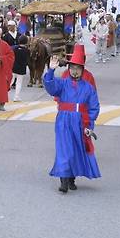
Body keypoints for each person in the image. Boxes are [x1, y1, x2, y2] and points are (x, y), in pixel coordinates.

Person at [44, 48, 101, 193]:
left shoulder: (88, 88)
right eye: (72, 68)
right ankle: (63, 179)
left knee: (76, 149)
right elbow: (50, 87)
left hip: (80, 122)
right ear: (68, 69)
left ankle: (71, 178)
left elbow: (93, 107)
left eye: (78, 68)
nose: (75, 71)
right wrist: (50, 71)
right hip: (63, 120)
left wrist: (89, 125)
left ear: (82, 70)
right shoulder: (62, 83)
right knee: (64, 149)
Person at [12, 35, 29, 102]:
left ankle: (4, 94)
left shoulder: (14, 48)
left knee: (10, 82)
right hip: (21, 69)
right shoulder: (26, 50)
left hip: (13, 67)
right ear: (26, 42)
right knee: (19, 83)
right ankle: (16, 97)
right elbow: (26, 60)